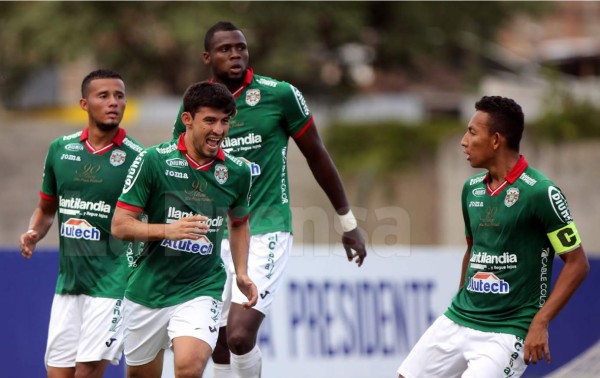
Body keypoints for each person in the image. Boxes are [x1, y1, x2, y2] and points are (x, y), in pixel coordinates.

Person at [171, 21, 368, 378]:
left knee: (241, 336)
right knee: (215, 340)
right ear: (207, 57)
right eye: (225, 49)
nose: (235, 54)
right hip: (213, 235)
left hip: (266, 228)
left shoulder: (279, 95)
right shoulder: (195, 105)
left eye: (240, 47)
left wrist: (347, 221)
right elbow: (178, 167)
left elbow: (317, 155)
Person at [397, 96, 590, 378]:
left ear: (496, 140)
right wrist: (461, 298)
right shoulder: (471, 190)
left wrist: (540, 322)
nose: (464, 141)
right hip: (459, 319)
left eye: (472, 132)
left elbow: (577, 263)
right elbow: (473, 249)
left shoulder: (540, 193)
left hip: (506, 332)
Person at [111, 81, 258, 378]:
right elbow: (120, 225)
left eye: (225, 121)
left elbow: (239, 222)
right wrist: (168, 230)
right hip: (146, 290)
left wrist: (241, 272)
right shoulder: (153, 160)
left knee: (189, 368)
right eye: (210, 120)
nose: (219, 130)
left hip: (200, 287)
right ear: (188, 119)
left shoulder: (237, 172)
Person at [18, 69, 144, 378]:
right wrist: (35, 231)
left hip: (114, 283)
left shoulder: (139, 158)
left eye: (119, 96)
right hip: (70, 285)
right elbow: (47, 209)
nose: (114, 102)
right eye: (104, 96)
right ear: (84, 104)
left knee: (87, 373)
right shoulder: (61, 149)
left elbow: (152, 217)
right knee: (58, 374)